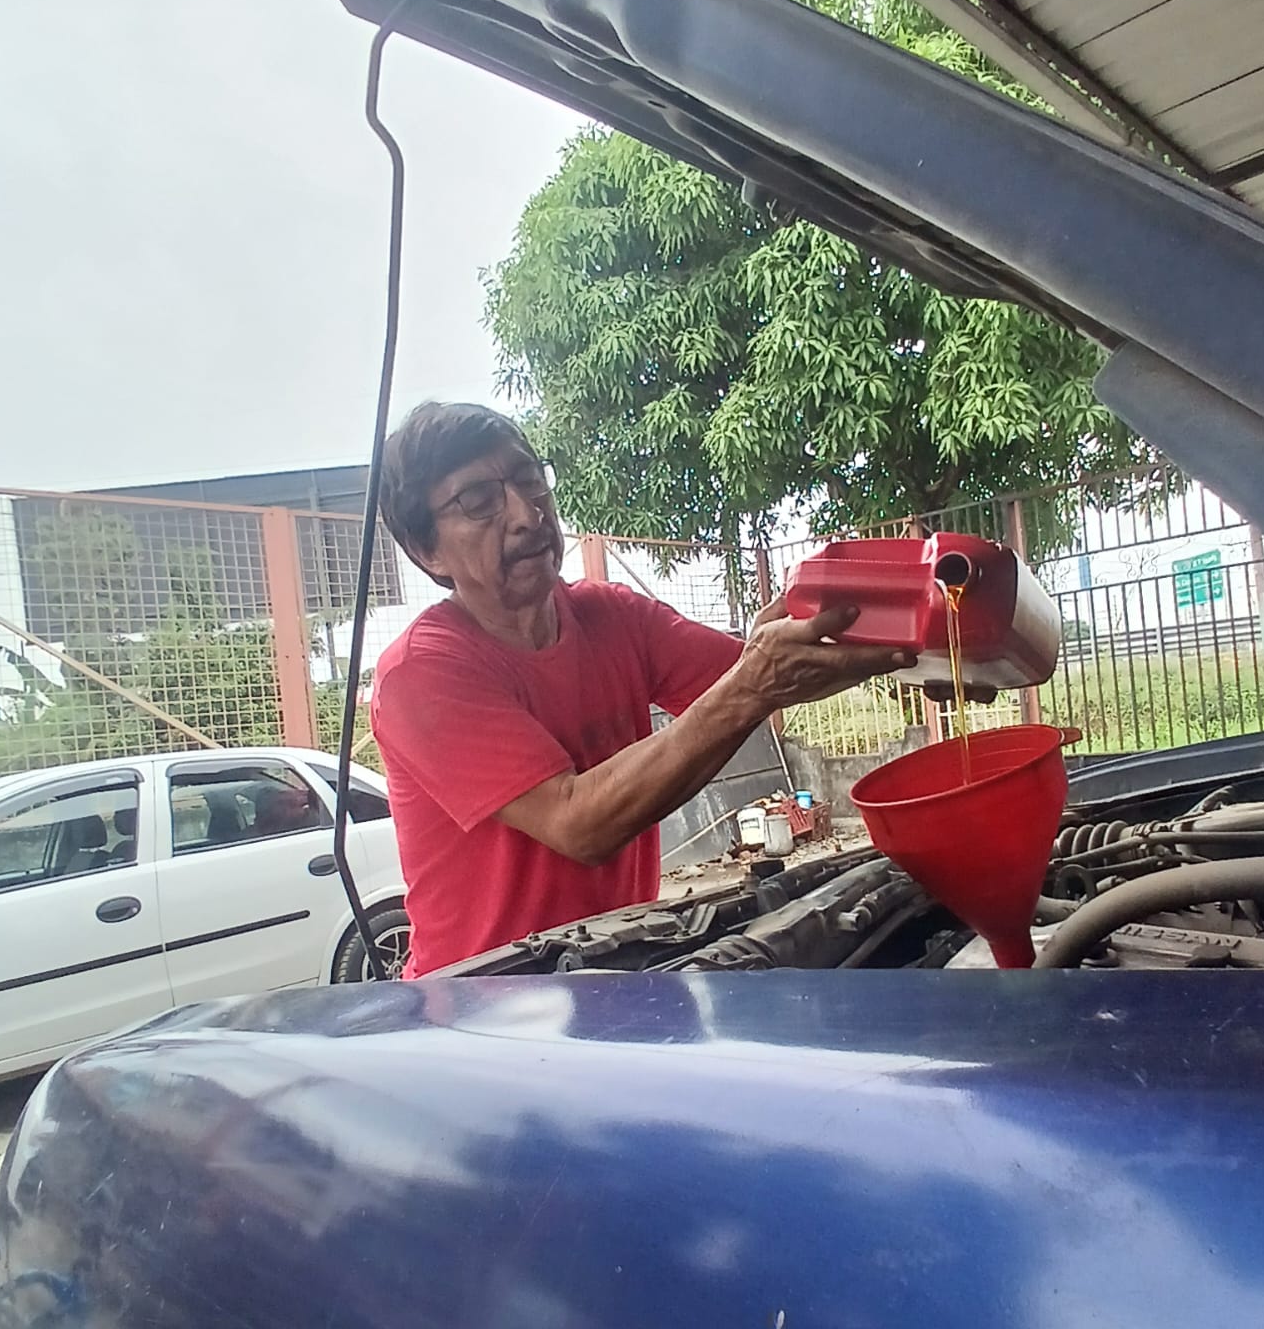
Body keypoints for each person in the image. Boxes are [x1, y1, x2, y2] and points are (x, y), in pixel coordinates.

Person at [369, 401, 915, 978]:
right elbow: (578, 824)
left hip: (618, 969)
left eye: (530, 480)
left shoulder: (611, 616)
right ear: (427, 551)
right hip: (486, 999)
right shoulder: (421, 671)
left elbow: (773, 673)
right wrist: (752, 682)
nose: (527, 514)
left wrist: (934, 643)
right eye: (479, 501)